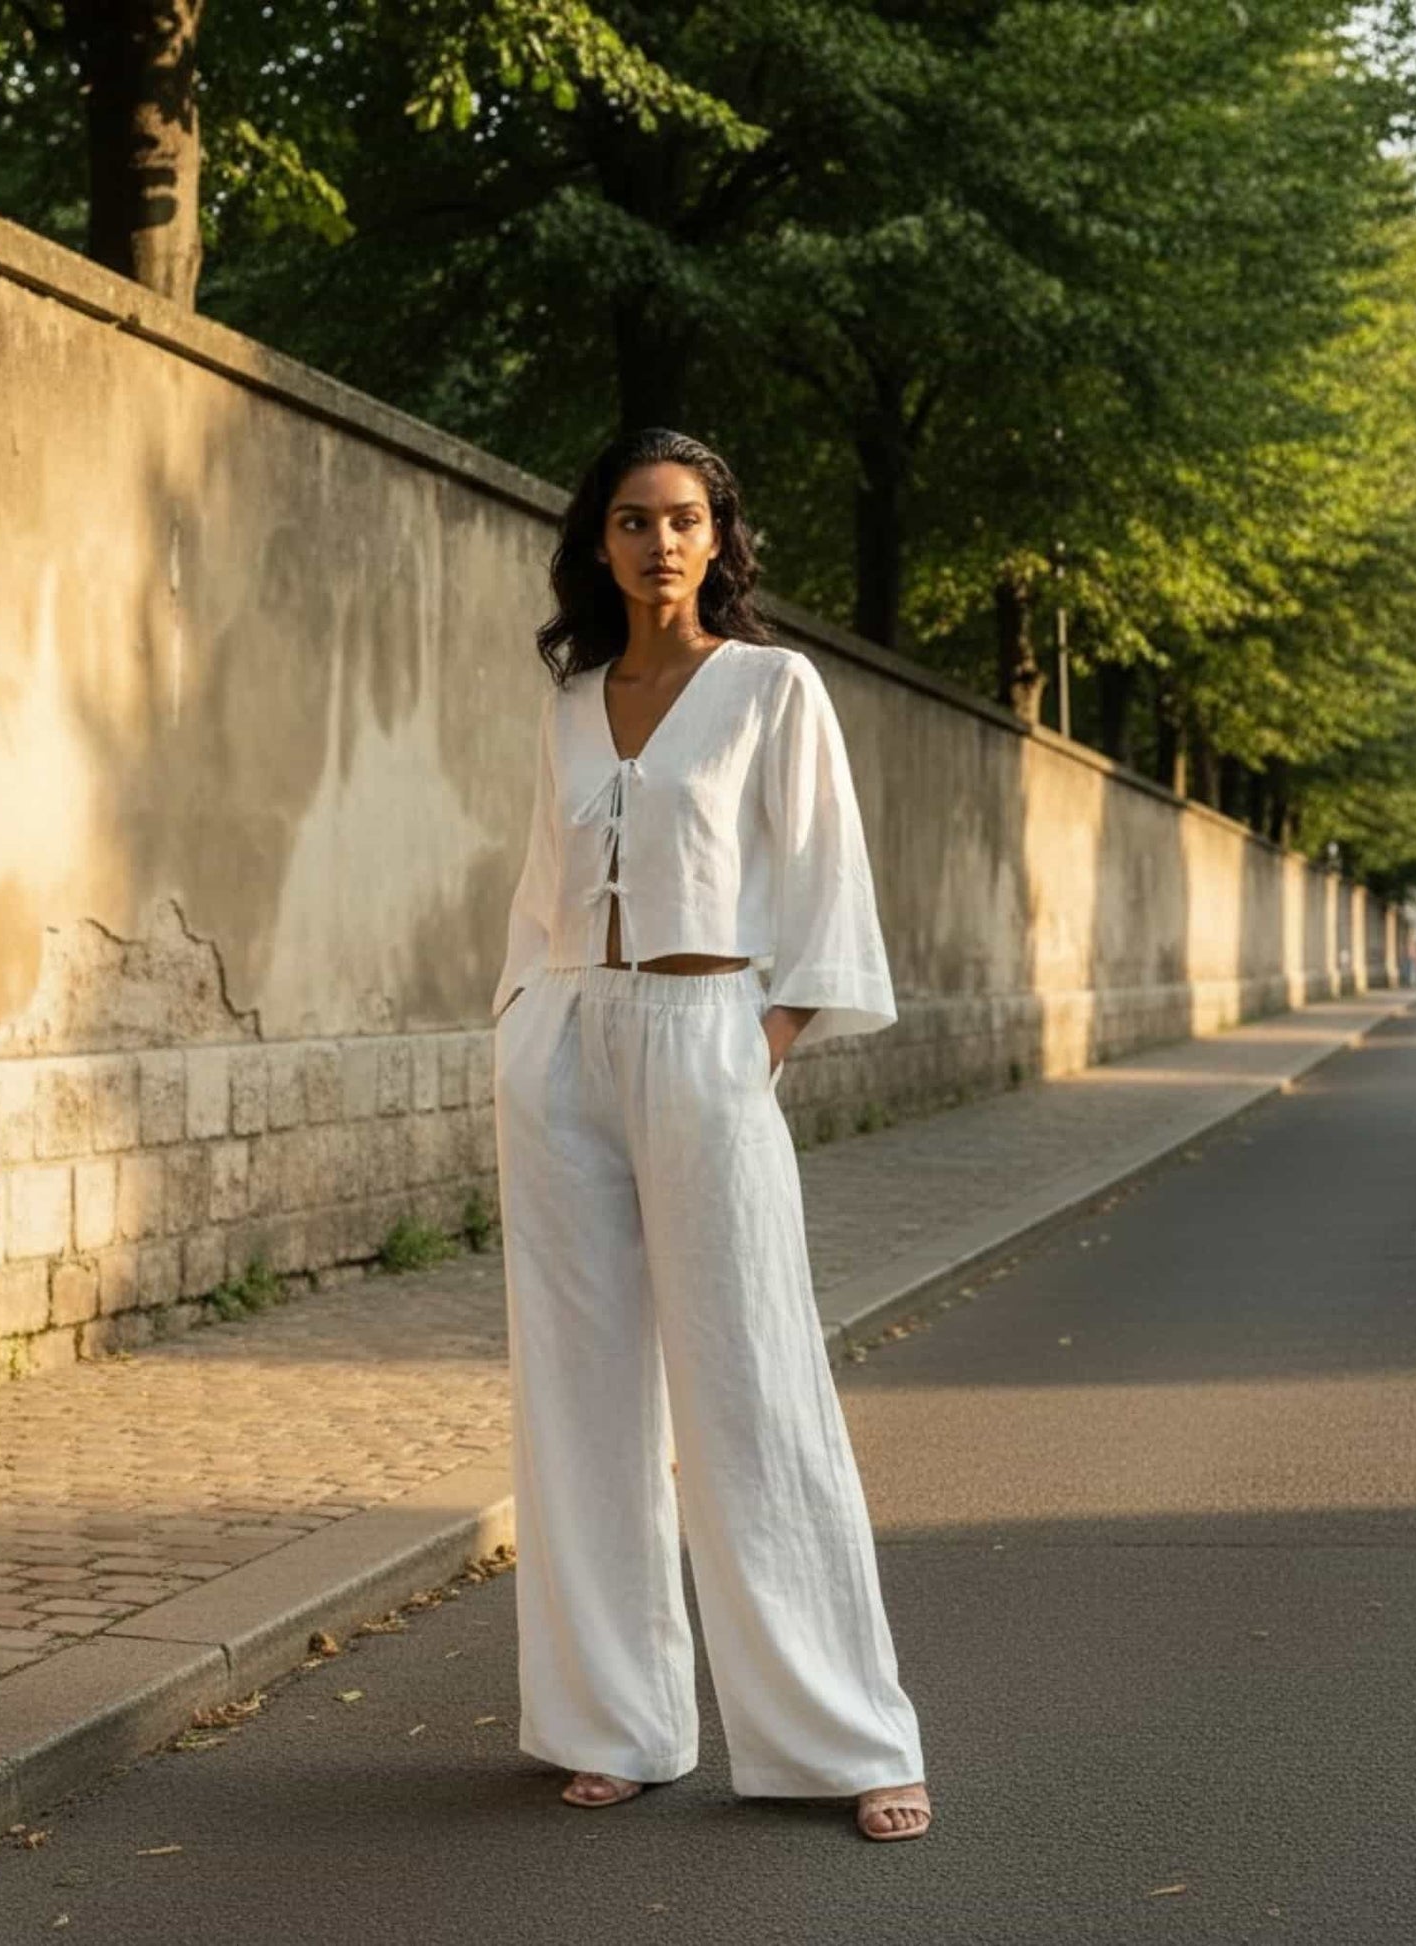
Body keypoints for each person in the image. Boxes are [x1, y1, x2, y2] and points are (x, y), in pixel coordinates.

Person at [489, 427, 931, 1842]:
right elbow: (537, 889)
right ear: (598, 542)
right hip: (562, 1045)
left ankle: (843, 1736)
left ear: (720, 539)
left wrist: (759, 1049)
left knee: (750, 1383)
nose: (658, 543)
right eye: (631, 520)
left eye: (684, 520)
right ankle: (610, 1715)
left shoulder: (768, 689)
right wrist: (516, 1032)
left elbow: (820, 893)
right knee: (579, 1392)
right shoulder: (569, 699)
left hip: (704, 1038)